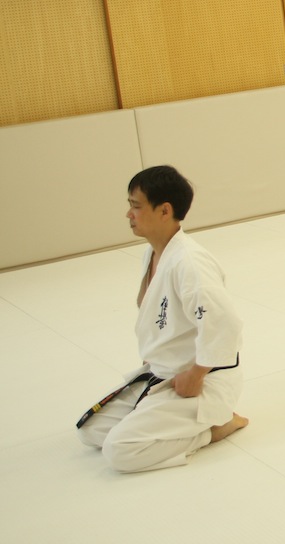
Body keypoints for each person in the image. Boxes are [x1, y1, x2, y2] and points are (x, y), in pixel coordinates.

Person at [76, 166, 247, 472]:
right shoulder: (154, 254)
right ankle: (175, 422)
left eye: (136, 206)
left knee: (119, 451)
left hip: (200, 381)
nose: (129, 214)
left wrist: (196, 375)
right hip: (162, 374)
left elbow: (225, 324)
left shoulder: (189, 263)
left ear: (164, 210)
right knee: (91, 431)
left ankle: (214, 429)